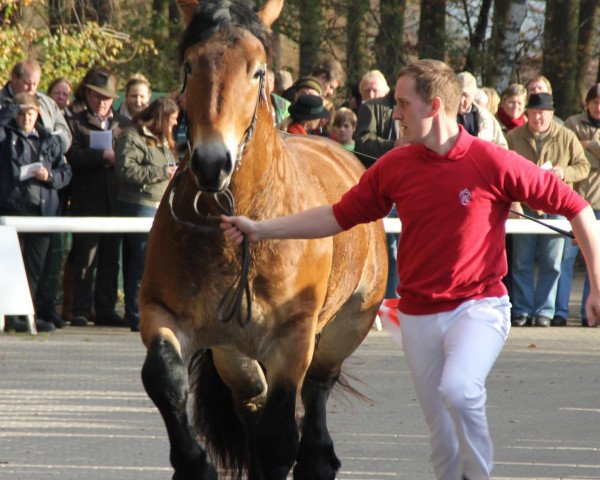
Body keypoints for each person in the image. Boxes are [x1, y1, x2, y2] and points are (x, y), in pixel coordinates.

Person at [220, 59, 600, 480]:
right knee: (440, 435)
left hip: (479, 309)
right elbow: (336, 216)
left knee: (459, 390)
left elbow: (578, 208)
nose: (394, 113)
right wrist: (260, 229)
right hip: (418, 316)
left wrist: (597, 287)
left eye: (402, 104)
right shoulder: (396, 166)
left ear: (434, 106)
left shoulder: (492, 161)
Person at [507, 92, 590, 327]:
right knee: (521, 262)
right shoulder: (514, 137)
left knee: (552, 262)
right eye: (533, 113)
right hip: (524, 207)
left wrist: (564, 173)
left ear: (552, 115)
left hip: (555, 208)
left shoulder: (567, 136)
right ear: (527, 114)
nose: (537, 118)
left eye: (542, 113)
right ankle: (522, 310)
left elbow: (583, 167)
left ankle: (545, 310)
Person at [0, 93, 72, 333]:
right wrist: (11, 110)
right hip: (13, 210)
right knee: (11, 266)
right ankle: (10, 316)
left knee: (35, 268)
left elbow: (65, 171)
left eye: (30, 114)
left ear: (38, 114)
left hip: (42, 212)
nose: (26, 119)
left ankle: (26, 314)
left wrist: (49, 176)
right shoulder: (6, 135)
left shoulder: (49, 139)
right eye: (21, 114)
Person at [66, 66, 130, 327]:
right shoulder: (76, 122)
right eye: (95, 96)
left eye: (104, 97)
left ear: (113, 99)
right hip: (87, 199)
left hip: (115, 200)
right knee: (85, 257)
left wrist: (120, 159)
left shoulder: (124, 125)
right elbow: (71, 156)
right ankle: (81, 309)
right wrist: (101, 157)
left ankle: (105, 309)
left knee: (109, 257)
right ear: (88, 95)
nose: (99, 102)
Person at [115, 97, 179, 332]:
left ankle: (144, 311)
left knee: (150, 261)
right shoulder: (131, 137)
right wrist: (162, 171)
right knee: (139, 261)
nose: (174, 126)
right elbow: (127, 170)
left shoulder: (162, 140)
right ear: (162, 118)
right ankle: (134, 314)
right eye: (172, 121)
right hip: (138, 205)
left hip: (159, 206)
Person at [554, 83, 600, 327]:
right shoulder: (572, 124)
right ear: (587, 103)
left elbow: (585, 157)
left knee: (596, 261)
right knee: (566, 259)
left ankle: (589, 312)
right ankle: (560, 311)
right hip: (577, 204)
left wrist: (591, 146)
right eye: (595, 102)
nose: (599, 107)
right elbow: (574, 161)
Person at [0, 59, 72, 152]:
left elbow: (65, 133)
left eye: (35, 84)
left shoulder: (47, 103)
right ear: (14, 78)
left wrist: (54, 146)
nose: (31, 89)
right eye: (27, 83)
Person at [456, 71, 507, 148]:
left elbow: (502, 148)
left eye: (466, 95)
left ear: (473, 95)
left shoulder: (486, 118)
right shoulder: (443, 115)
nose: (461, 100)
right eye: (458, 94)